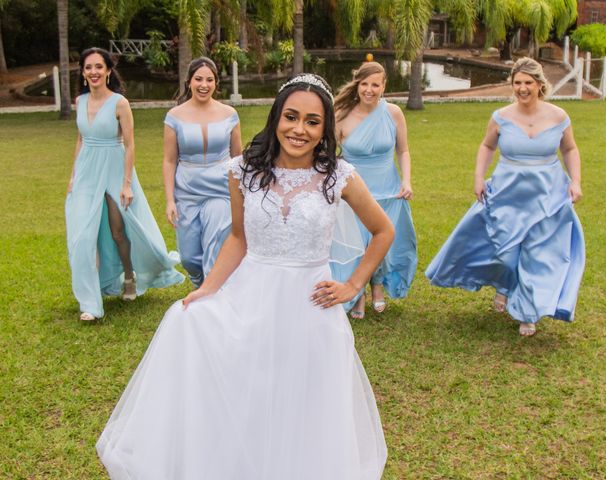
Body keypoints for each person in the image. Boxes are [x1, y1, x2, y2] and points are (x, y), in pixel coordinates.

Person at [96, 74, 393, 479]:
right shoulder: (244, 172)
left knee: (304, 400)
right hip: (253, 297)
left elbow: (383, 230)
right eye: (291, 117)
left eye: (311, 121)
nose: (298, 129)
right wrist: (207, 289)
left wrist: (353, 285)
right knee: (240, 379)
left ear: (324, 129)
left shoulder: (337, 176)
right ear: (276, 118)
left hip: (311, 309)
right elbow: (238, 238)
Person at [426, 57, 585, 337]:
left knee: (537, 254)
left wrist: (576, 182)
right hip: (508, 192)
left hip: (547, 194)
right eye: (517, 83)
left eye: (528, 83)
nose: (522, 88)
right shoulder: (501, 116)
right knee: (506, 254)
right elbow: (487, 146)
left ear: (539, 85)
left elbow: (570, 150)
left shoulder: (559, 116)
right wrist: (478, 176)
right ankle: (505, 287)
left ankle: (527, 312)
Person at [65, 47, 184, 321]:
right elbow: (81, 139)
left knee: (119, 231)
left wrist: (126, 183)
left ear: (108, 70)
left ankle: (129, 275)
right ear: (83, 73)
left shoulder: (120, 103)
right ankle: (90, 304)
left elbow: (130, 144)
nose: (93, 72)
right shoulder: (80, 101)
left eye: (98, 67)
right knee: (81, 238)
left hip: (114, 169)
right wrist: (73, 175)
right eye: (88, 67)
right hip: (85, 173)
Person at [332, 61, 417, 319]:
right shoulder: (340, 115)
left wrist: (407, 181)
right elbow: (328, 155)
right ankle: (359, 294)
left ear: (384, 86)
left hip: (388, 190)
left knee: (384, 243)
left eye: (375, 84)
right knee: (358, 244)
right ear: (357, 84)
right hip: (354, 193)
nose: (369, 90)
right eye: (365, 84)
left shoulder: (393, 113)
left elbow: (403, 150)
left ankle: (377, 287)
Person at [163, 57, 242, 287]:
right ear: (189, 82)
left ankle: (212, 292)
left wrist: (242, 193)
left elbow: (238, 157)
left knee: (215, 246)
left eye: (209, 80)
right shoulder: (174, 116)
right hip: (187, 190)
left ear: (216, 83)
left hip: (221, 188)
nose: (204, 85)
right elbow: (169, 161)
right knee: (189, 257)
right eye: (198, 79)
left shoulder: (229, 114)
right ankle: (200, 283)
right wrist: (170, 200)